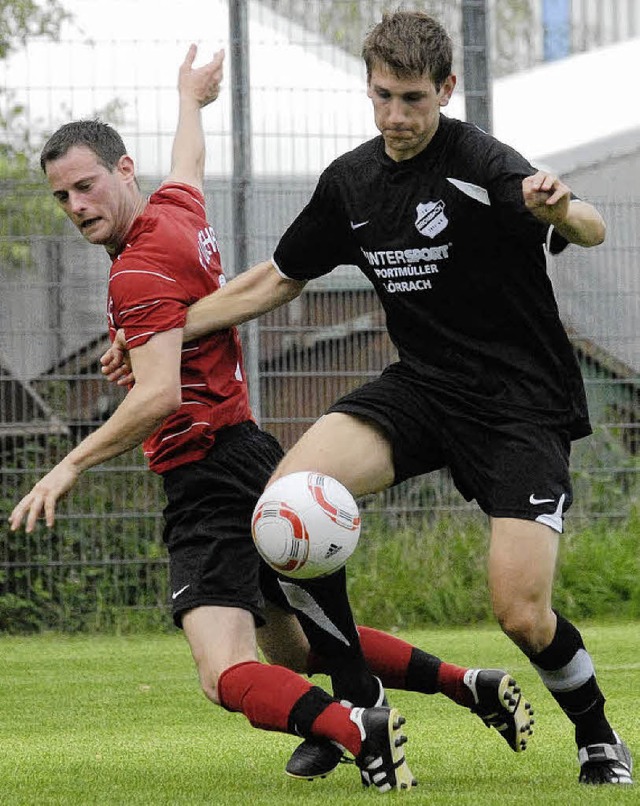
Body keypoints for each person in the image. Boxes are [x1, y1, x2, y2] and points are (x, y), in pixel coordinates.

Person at [102, 11, 633, 787]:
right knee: (282, 506)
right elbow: (272, 282)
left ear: (445, 90)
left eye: (413, 99)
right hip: (420, 389)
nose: (395, 116)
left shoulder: (479, 161)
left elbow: (588, 225)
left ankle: (596, 733)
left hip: (519, 405)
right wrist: (159, 332)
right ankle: (359, 697)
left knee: (520, 613)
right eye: (382, 96)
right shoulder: (351, 181)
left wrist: (560, 209)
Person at [7, 44, 421, 794]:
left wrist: (70, 462)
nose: (76, 207)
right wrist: (191, 102)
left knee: (223, 669)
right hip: (249, 449)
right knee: (295, 645)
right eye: (62, 196)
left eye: (86, 186)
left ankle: (355, 726)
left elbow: (159, 395)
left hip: (203, 472)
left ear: (123, 171)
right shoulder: (175, 209)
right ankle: (460, 685)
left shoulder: (135, 269)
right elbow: (189, 164)